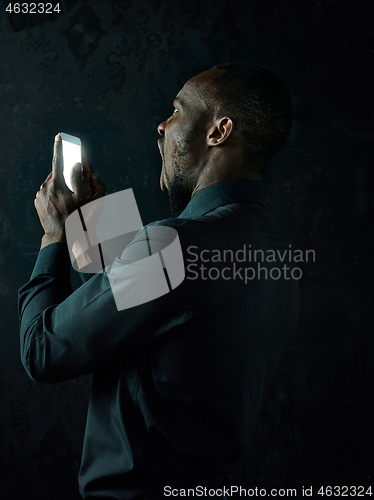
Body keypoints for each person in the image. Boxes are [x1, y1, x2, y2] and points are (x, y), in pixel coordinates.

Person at [19, 62, 299, 499]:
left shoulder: (176, 246)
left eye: (176, 110)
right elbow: (154, 318)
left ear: (218, 132)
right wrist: (93, 221)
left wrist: (54, 236)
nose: (161, 126)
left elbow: (43, 350)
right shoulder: (275, 252)